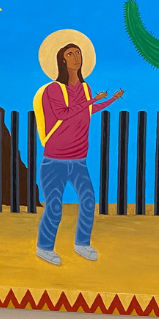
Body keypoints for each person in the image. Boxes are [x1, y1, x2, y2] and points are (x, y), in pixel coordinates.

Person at [32, 30, 124, 265]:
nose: (76, 57)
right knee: (54, 205)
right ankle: (45, 247)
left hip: (79, 159)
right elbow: (63, 114)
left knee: (88, 200)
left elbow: (85, 111)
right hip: (55, 160)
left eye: (79, 53)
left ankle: (82, 243)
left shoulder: (85, 88)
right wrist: (92, 100)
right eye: (71, 53)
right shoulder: (54, 89)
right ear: (62, 59)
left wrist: (111, 100)